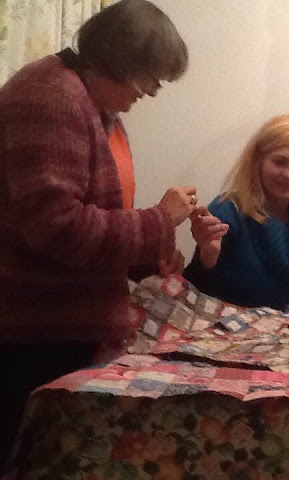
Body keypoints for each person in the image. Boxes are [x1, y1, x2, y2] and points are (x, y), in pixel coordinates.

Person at [0, 0, 193, 465]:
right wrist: (160, 221)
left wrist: (151, 254)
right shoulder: (49, 98)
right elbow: (59, 228)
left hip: (61, 330)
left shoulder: (91, 104)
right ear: (123, 61)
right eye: (153, 77)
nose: (153, 92)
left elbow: (98, 213)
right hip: (33, 336)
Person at [184, 114, 289, 313]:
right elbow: (192, 294)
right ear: (258, 162)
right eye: (280, 162)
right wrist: (207, 257)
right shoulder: (227, 210)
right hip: (216, 327)